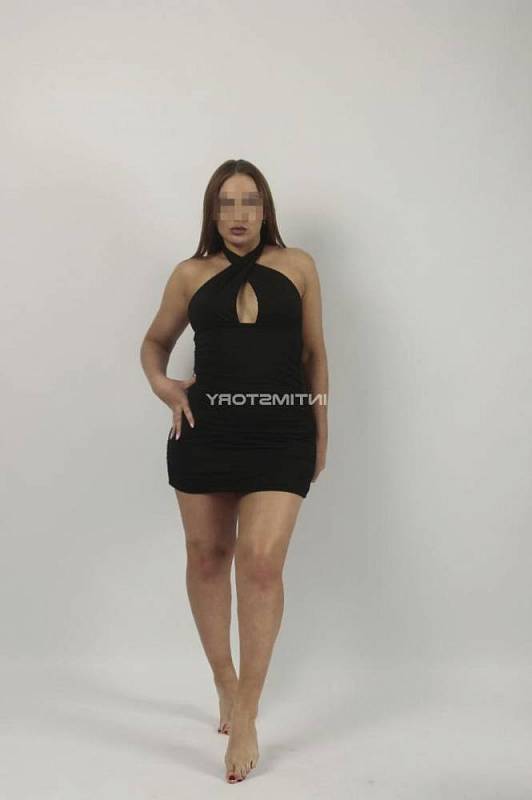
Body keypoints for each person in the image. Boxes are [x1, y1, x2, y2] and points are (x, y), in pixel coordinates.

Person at [140, 158, 328, 782]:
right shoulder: (189, 274)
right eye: (227, 202)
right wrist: (165, 387)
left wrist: (321, 430)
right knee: (205, 558)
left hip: (282, 432)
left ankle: (246, 711)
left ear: (265, 208)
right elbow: (154, 343)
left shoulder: (298, 266)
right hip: (206, 432)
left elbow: (314, 353)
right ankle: (224, 680)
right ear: (212, 212)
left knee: (262, 562)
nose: (239, 214)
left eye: (250, 201)